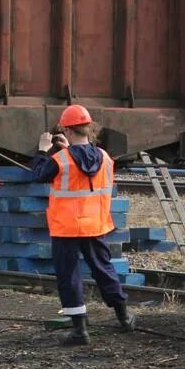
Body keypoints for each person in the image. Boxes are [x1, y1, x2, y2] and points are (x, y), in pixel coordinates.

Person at [30, 104, 134, 345]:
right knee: (103, 269)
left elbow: (38, 175)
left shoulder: (60, 159)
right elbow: (85, 170)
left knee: (69, 276)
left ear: (66, 131)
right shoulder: (105, 158)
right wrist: (71, 152)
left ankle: (80, 331)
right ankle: (124, 317)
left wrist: (42, 150)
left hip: (67, 227)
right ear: (89, 129)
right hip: (95, 225)